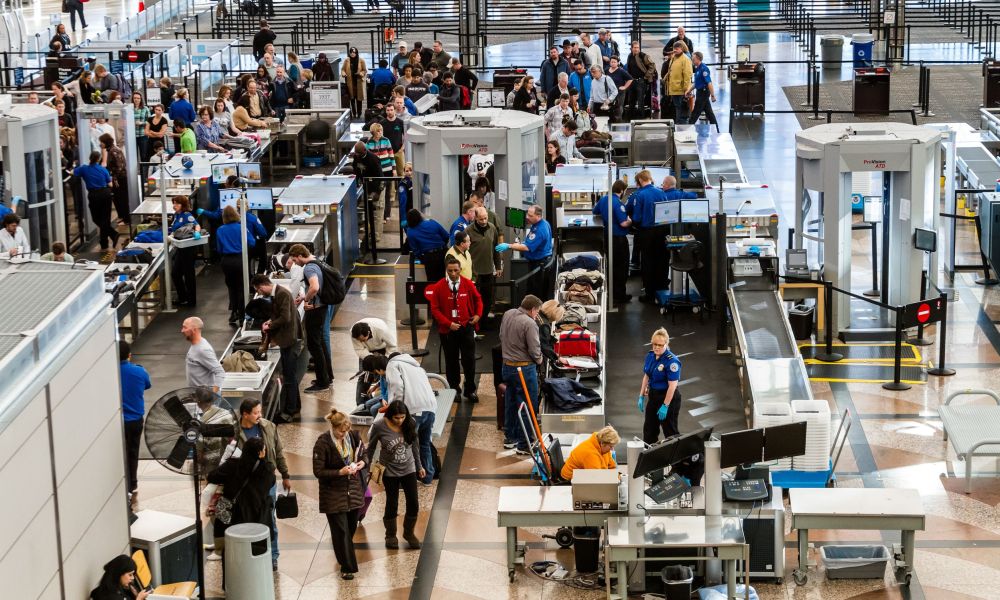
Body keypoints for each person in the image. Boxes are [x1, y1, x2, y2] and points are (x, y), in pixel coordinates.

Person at [235, 398, 291, 569]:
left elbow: (278, 451)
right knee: (248, 518)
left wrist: (285, 474)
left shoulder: (268, 426)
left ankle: (273, 555)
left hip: (267, 481)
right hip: (246, 483)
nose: (260, 415)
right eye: (256, 413)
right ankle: (251, 553)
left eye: (260, 411)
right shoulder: (235, 432)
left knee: (269, 518)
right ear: (245, 414)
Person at [207, 436, 276, 571]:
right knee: (253, 553)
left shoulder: (233, 465)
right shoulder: (267, 470)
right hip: (257, 518)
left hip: (232, 517)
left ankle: (230, 584)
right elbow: (271, 483)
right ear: (260, 453)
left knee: (231, 551)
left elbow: (212, 476)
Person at [313, 409, 366, 580]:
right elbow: (318, 471)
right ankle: (347, 566)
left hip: (353, 490)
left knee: (349, 529)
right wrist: (339, 472)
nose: (344, 434)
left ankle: (342, 553)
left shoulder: (354, 437)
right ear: (333, 427)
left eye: (346, 430)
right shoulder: (323, 443)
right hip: (333, 493)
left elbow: (365, 454)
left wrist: (362, 463)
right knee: (341, 531)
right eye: (341, 431)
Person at [366, 400, 425, 549]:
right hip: (389, 471)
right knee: (392, 503)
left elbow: (415, 446)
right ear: (390, 415)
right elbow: (371, 447)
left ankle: (408, 533)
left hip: (409, 469)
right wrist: (367, 467)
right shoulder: (379, 426)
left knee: (413, 502)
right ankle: (390, 535)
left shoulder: (409, 422)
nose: (400, 421)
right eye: (396, 418)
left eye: (402, 417)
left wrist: (419, 466)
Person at [426, 256, 483, 401]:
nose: (453, 274)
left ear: (460, 270)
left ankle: (470, 389)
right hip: (448, 331)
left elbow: (478, 299)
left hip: (466, 328)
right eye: (450, 271)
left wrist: (477, 315)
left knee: (469, 360)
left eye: (456, 270)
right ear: (446, 270)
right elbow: (435, 309)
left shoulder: (468, 284)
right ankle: (454, 389)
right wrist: (447, 323)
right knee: (451, 361)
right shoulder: (439, 286)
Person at [252, 275, 304, 421]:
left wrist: (270, 325)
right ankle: (295, 409)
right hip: (286, 340)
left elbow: (285, 317)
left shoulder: (282, 294)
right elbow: (280, 314)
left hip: (290, 340)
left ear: (261, 286)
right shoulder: (278, 294)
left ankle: (290, 412)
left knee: (289, 377)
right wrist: (270, 321)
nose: (260, 293)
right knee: (290, 376)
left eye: (258, 290)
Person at [499, 295, 543, 454]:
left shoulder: (508, 313)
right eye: (537, 311)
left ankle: (510, 438)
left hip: (507, 367)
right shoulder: (530, 323)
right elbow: (534, 349)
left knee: (511, 402)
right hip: (524, 370)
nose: (537, 314)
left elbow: (501, 336)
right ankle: (525, 445)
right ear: (533, 309)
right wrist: (540, 360)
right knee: (527, 405)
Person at [288, 244, 334, 393]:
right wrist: (304, 297)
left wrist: (307, 300)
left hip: (316, 309)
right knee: (320, 342)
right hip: (322, 306)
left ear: (300, 256)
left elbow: (314, 287)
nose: (295, 263)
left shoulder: (309, 267)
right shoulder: (317, 260)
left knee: (314, 345)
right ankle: (327, 377)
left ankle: (322, 382)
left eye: (295, 260)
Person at [495, 205, 553, 300]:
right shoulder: (540, 224)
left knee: (534, 293)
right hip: (538, 261)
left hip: (539, 265)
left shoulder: (540, 229)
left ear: (538, 216)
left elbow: (527, 247)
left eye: (530, 215)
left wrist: (509, 246)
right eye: (527, 214)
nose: (527, 217)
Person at [629, 169, 668, 301]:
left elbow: (637, 217)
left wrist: (632, 223)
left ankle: (650, 293)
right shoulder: (661, 192)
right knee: (661, 260)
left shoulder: (640, 195)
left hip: (647, 233)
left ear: (640, 180)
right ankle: (662, 289)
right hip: (662, 231)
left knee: (648, 262)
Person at [639, 328, 683, 443]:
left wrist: (665, 405)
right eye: (654, 344)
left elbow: (672, 386)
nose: (656, 347)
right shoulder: (650, 356)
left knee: (670, 431)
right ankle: (649, 455)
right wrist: (641, 396)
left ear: (666, 344)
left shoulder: (672, 361)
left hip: (668, 397)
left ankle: (675, 460)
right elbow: (646, 376)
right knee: (649, 429)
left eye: (660, 345)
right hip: (653, 396)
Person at [118, 340, 150, 499]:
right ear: (129, 355)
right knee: (133, 450)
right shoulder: (139, 371)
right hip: (136, 419)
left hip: (118, 421)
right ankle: (133, 482)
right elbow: (147, 385)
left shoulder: (111, 373)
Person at [592, 180, 632, 303]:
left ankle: (611, 291)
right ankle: (619, 295)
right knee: (621, 267)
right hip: (618, 239)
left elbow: (595, 211)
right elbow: (623, 223)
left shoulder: (604, 199)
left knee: (611, 265)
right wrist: (630, 220)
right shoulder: (618, 203)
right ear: (622, 190)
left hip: (607, 237)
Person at [216, 205, 256, 324]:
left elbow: (219, 248)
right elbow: (252, 242)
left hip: (226, 261)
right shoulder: (242, 228)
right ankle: (242, 314)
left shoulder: (220, 230)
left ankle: (233, 312)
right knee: (242, 287)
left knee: (231, 286)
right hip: (240, 259)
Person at [73, 150, 118, 257]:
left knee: (96, 218)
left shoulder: (84, 169)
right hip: (106, 194)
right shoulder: (103, 170)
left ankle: (106, 242)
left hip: (94, 195)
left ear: (90, 158)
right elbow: (110, 184)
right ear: (99, 159)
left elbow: (73, 172)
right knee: (105, 219)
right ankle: (111, 236)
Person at [467, 206, 502, 322]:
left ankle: (484, 320)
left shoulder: (492, 228)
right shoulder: (468, 231)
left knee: (487, 298)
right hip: (474, 272)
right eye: (481, 219)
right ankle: (475, 322)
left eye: (485, 218)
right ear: (475, 218)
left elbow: (496, 249)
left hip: (488, 270)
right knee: (474, 299)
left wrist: (498, 266)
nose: (484, 221)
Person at [170, 195, 200, 306]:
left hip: (188, 248)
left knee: (189, 275)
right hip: (180, 247)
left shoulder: (187, 215)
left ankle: (191, 301)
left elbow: (197, 225)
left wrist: (197, 232)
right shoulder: (176, 215)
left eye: (177, 203)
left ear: (183, 205)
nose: (174, 206)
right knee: (175, 273)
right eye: (173, 203)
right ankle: (182, 297)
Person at [404, 209, 449, 282]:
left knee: (432, 282)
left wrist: (423, 258)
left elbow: (416, 251)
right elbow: (446, 236)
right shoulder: (432, 223)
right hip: (443, 254)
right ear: (419, 216)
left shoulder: (410, 231)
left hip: (429, 258)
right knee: (444, 281)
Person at [181, 317, 226, 392]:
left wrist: (212, 396)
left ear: (194, 330)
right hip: (198, 395)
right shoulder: (196, 344)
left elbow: (220, 372)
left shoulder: (203, 349)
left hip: (205, 399)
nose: (182, 330)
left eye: (185, 327)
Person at [365, 122, 395, 230]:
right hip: (377, 172)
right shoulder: (369, 143)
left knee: (387, 193)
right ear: (373, 132)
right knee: (380, 192)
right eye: (378, 131)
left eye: (381, 130)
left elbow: (391, 155)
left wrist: (394, 169)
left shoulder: (386, 140)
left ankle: (387, 215)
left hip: (387, 170)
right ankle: (378, 216)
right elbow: (368, 158)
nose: (380, 132)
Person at [626, 41, 658, 119]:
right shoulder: (630, 56)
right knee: (631, 101)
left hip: (641, 81)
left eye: (638, 47)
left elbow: (652, 65)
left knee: (641, 101)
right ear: (632, 48)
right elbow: (628, 68)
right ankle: (630, 119)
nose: (636, 49)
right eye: (635, 47)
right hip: (632, 81)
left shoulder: (643, 56)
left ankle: (641, 119)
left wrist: (646, 77)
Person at [687, 51, 718, 129]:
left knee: (696, 112)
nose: (692, 60)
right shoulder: (697, 68)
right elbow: (696, 83)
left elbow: (709, 83)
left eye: (693, 59)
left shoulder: (704, 69)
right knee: (709, 113)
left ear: (698, 58)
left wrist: (713, 95)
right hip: (699, 92)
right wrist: (689, 90)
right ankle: (716, 129)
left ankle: (688, 128)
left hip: (703, 92)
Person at [664, 41, 693, 124]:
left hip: (681, 90)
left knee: (682, 110)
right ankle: (678, 125)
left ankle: (682, 127)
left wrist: (686, 89)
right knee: (677, 108)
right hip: (674, 89)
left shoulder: (685, 60)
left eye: (677, 49)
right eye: (674, 49)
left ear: (682, 49)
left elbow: (687, 76)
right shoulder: (673, 58)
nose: (675, 50)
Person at [342, 47, 367, 118]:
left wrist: (361, 73)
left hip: (358, 82)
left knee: (359, 99)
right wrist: (343, 74)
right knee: (352, 99)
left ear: (356, 53)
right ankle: (354, 113)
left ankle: (359, 113)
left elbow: (365, 70)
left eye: (354, 52)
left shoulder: (361, 60)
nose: (352, 54)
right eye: (351, 52)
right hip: (350, 83)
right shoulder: (347, 60)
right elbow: (343, 69)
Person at [606, 56, 633, 121]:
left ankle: (618, 121)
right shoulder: (606, 70)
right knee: (610, 107)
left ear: (618, 63)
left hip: (619, 92)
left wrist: (625, 87)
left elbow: (630, 79)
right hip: (610, 92)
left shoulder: (621, 71)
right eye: (611, 62)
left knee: (618, 108)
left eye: (614, 62)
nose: (613, 63)